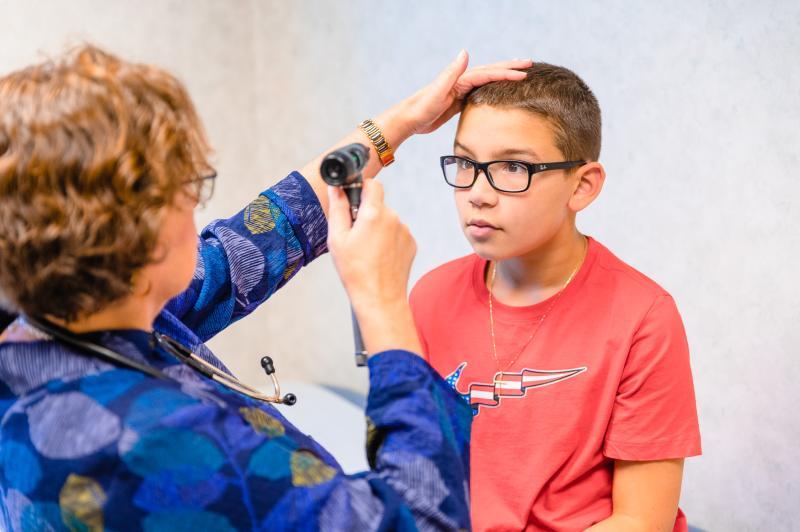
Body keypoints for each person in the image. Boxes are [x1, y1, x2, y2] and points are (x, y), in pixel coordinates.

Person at [0, 44, 532, 530]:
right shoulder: (157, 440)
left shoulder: (64, 314)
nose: (197, 205)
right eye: (188, 187)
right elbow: (424, 519)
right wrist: (382, 301)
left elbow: (255, 241)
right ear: (142, 232)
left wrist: (400, 123)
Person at [410, 63, 702, 531]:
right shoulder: (430, 296)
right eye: (466, 163)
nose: (478, 194)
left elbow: (641, 520)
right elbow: (415, 473)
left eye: (513, 167)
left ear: (582, 186)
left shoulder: (643, 317)